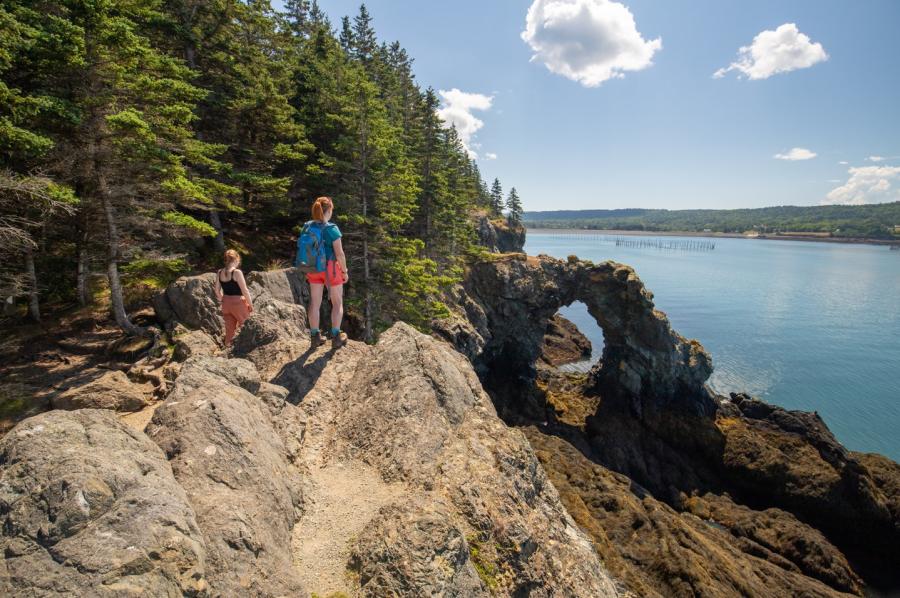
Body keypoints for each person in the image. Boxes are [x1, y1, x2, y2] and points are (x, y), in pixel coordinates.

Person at [303, 196, 348, 349]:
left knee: (314, 303)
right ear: (328, 211)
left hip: (313, 268)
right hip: (331, 269)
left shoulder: (307, 226)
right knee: (337, 303)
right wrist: (345, 271)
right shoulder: (332, 228)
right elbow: (340, 254)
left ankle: (315, 337)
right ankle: (336, 337)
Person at [214, 249, 253, 348]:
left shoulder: (219, 272)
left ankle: (228, 349)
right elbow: (245, 290)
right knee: (246, 326)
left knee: (229, 330)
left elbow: (217, 291)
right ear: (236, 259)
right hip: (238, 303)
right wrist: (250, 305)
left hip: (226, 303)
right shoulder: (237, 272)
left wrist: (223, 300)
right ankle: (246, 348)